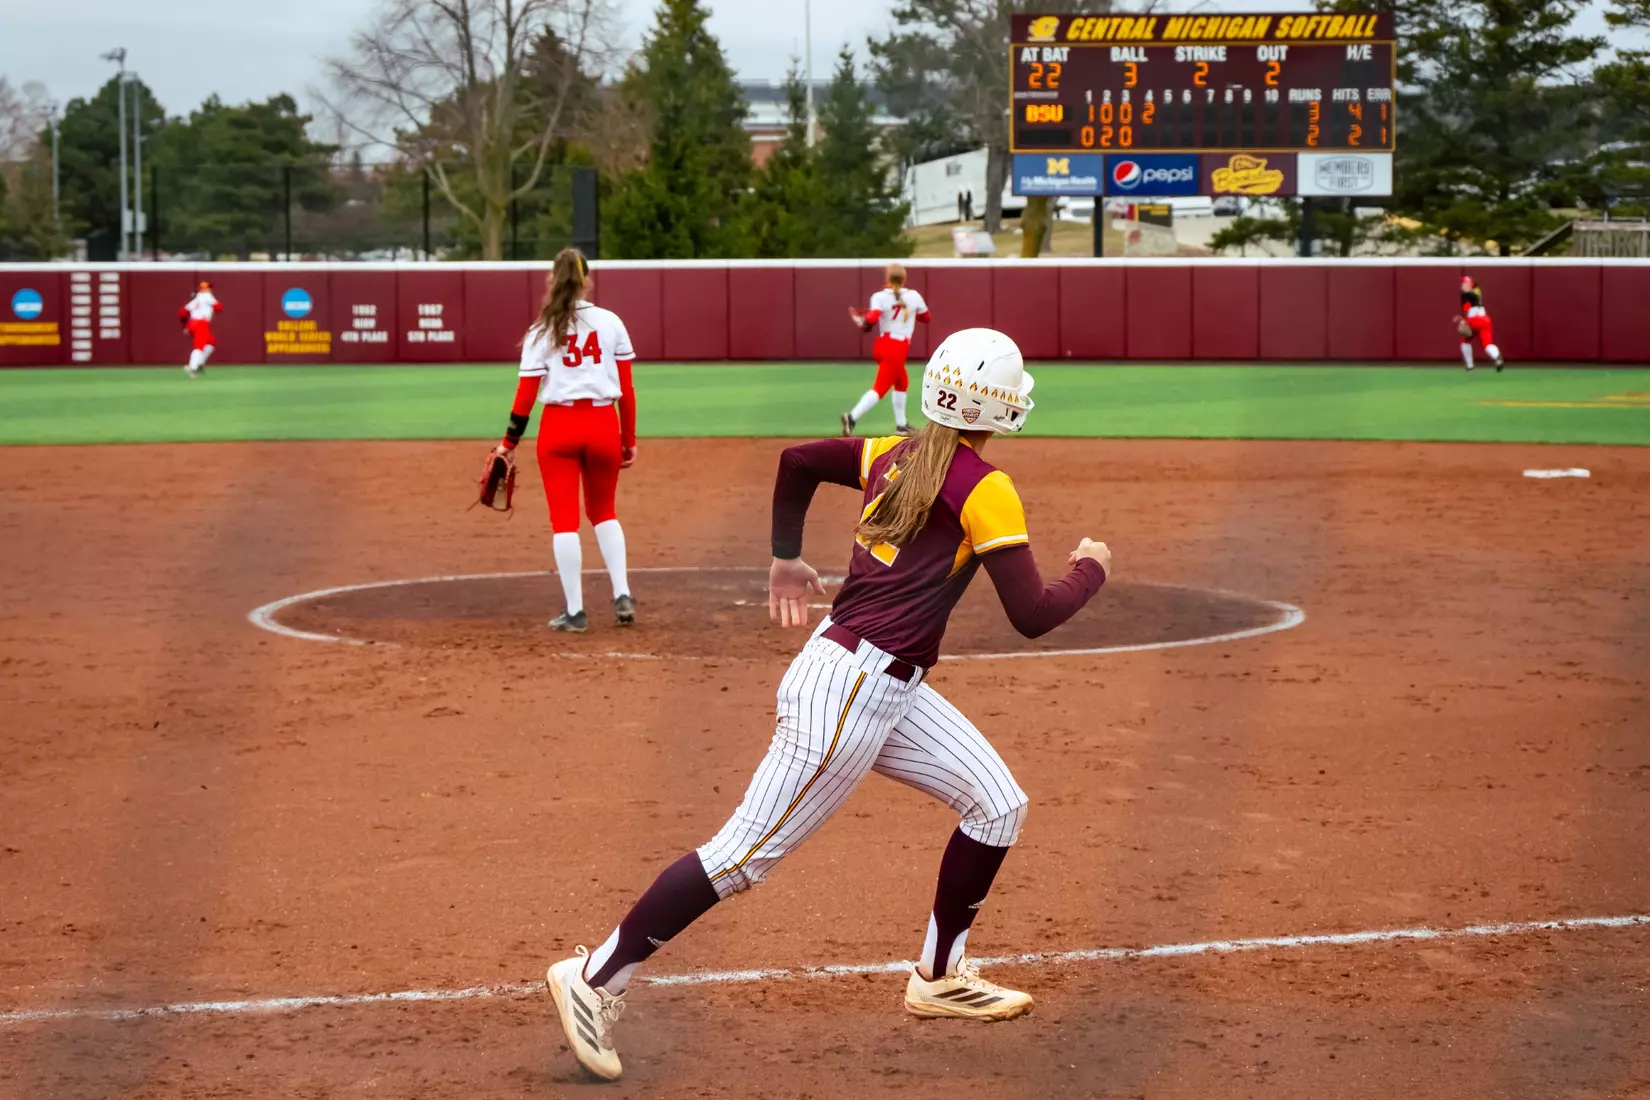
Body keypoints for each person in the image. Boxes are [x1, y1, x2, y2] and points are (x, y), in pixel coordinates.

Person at [544, 328, 1112, 1081]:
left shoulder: (891, 452)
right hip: (850, 694)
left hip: (879, 683)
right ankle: (594, 978)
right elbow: (1033, 613)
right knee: (742, 856)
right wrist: (1091, 570)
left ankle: (938, 976)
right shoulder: (985, 485)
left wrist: (784, 554)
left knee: (997, 804)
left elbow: (798, 462)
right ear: (1001, 410)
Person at [491, 249, 638, 633]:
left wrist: (509, 442)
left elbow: (524, 397)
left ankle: (575, 612)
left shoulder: (542, 330)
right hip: (603, 423)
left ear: (551, 281)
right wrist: (628, 439)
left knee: (564, 522)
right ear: (587, 279)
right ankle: (622, 593)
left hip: (558, 428)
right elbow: (627, 389)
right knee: (604, 511)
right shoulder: (610, 322)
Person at [842, 263, 931, 437]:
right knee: (880, 388)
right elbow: (926, 318)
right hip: (896, 348)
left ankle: (901, 424)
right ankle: (852, 417)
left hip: (883, 344)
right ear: (904, 278)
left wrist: (865, 323)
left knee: (901, 382)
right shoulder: (913, 296)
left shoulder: (879, 296)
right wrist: (910, 312)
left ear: (888, 278)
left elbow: (873, 318)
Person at [1457, 275, 1505, 372]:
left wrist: (1462, 320)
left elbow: (1467, 310)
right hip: (1485, 320)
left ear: (1468, 284)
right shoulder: (1476, 293)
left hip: (1474, 320)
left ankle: (1470, 365)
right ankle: (1497, 357)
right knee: (1487, 344)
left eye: (1464, 283)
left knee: (1464, 341)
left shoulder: (1465, 295)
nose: (1462, 285)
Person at [178, 281, 221, 378]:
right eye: (208, 288)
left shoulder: (196, 299)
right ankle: (192, 367)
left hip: (193, 324)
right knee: (199, 346)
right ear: (204, 289)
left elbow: (182, 312)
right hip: (201, 324)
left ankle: (199, 363)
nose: (209, 290)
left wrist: (184, 327)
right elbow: (219, 307)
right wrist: (211, 303)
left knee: (211, 342)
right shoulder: (207, 296)